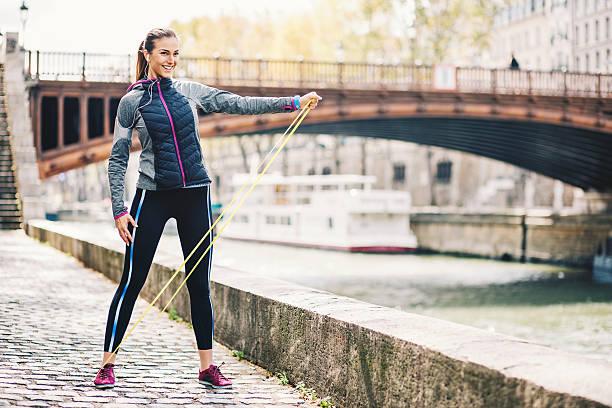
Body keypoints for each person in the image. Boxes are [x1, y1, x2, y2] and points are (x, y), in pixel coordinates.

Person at [93, 27, 322, 390]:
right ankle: (107, 365)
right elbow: (118, 158)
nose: (171, 60)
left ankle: (206, 367)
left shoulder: (190, 92)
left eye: (176, 53)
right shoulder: (131, 102)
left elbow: (240, 104)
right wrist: (119, 210)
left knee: (199, 284)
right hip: (151, 196)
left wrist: (293, 102)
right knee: (131, 283)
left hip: (195, 195)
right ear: (148, 54)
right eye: (164, 53)